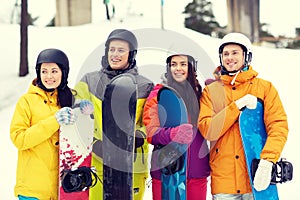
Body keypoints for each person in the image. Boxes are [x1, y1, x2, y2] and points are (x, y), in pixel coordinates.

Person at [198, 32, 288, 199]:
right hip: (224, 181)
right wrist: (236, 107)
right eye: (225, 54)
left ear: (247, 56)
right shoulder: (211, 92)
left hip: (256, 175)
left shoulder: (265, 88)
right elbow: (208, 130)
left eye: (235, 53)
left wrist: (267, 161)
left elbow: (278, 127)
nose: (229, 58)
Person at [74, 29, 154, 199]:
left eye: (121, 50)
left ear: (131, 54)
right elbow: (74, 107)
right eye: (112, 49)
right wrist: (80, 107)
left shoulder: (145, 86)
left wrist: (139, 136)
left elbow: (152, 121)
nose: (115, 54)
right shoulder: (90, 80)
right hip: (98, 163)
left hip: (131, 167)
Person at [10, 48, 76, 200]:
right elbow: (19, 139)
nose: (49, 76)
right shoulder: (26, 101)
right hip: (33, 190)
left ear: (63, 72)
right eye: (44, 71)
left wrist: (86, 112)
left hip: (63, 189)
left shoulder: (70, 99)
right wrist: (54, 121)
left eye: (54, 71)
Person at [143, 53, 210, 200]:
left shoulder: (202, 95)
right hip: (166, 172)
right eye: (173, 64)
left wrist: (217, 90)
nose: (177, 68)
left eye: (183, 64)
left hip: (196, 171)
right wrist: (173, 134)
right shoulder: (158, 94)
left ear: (192, 68)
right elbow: (151, 132)